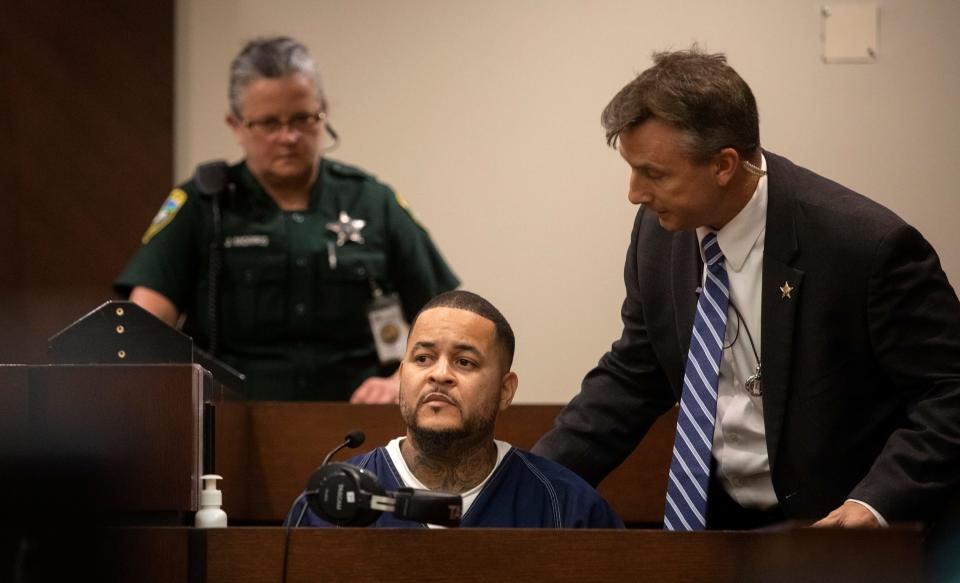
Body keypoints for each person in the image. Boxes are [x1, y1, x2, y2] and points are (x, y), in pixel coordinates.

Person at [533, 48, 960, 530]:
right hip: (721, 531)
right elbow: (635, 373)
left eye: (653, 173)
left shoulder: (867, 247)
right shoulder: (657, 234)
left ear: (724, 165)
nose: (634, 193)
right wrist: (531, 483)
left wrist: (874, 504)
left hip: (843, 536)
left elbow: (948, 393)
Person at [114, 37, 458, 402]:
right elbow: (143, 326)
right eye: (268, 123)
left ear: (323, 113)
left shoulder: (372, 201)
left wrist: (401, 378)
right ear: (235, 125)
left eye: (303, 119)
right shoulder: (203, 205)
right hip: (231, 420)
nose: (289, 137)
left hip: (357, 422)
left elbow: (448, 316)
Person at [286, 290, 624, 528]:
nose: (440, 375)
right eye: (423, 359)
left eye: (464, 362)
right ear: (403, 377)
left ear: (505, 391)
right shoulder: (332, 501)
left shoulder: (569, 507)